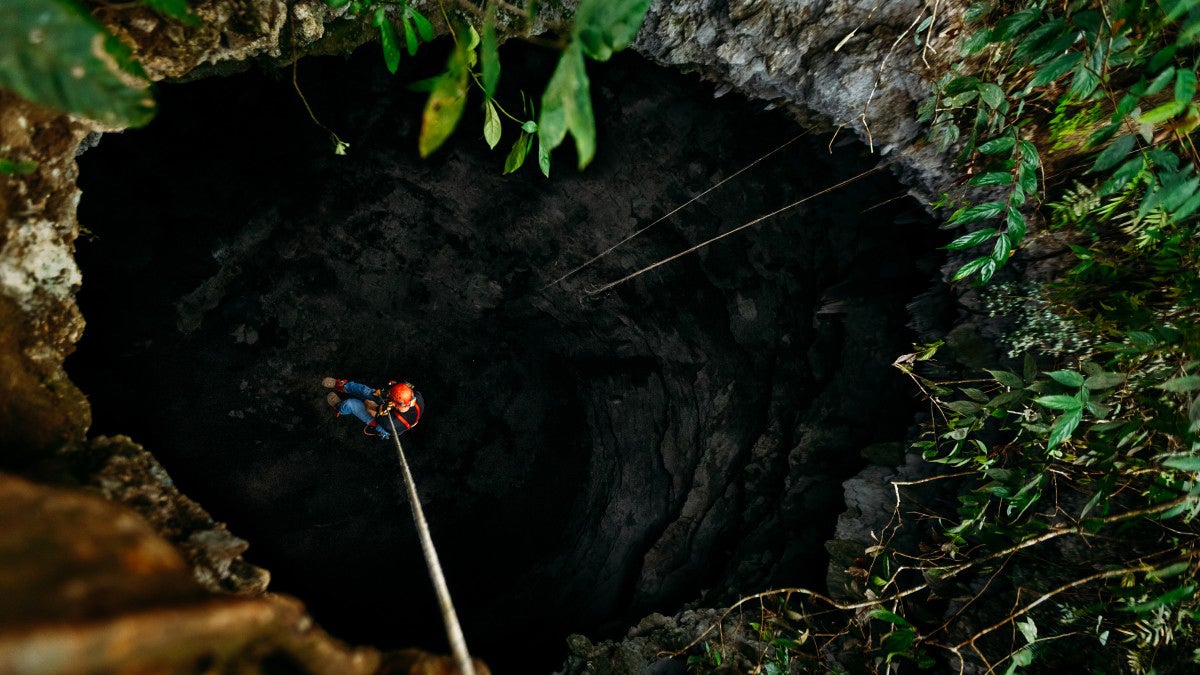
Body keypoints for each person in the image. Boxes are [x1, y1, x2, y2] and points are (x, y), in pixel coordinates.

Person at [323, 377, 424, 440]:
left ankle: (340, 408)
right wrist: (384, 393)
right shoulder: (417, 397)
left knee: (351, 404)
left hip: (383, 423)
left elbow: (368, 404)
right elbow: (402, 388)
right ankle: (344, 386)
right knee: (365, 391)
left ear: (394, 403)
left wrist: (379, 408)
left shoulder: (391, 423)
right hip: (391, 410)